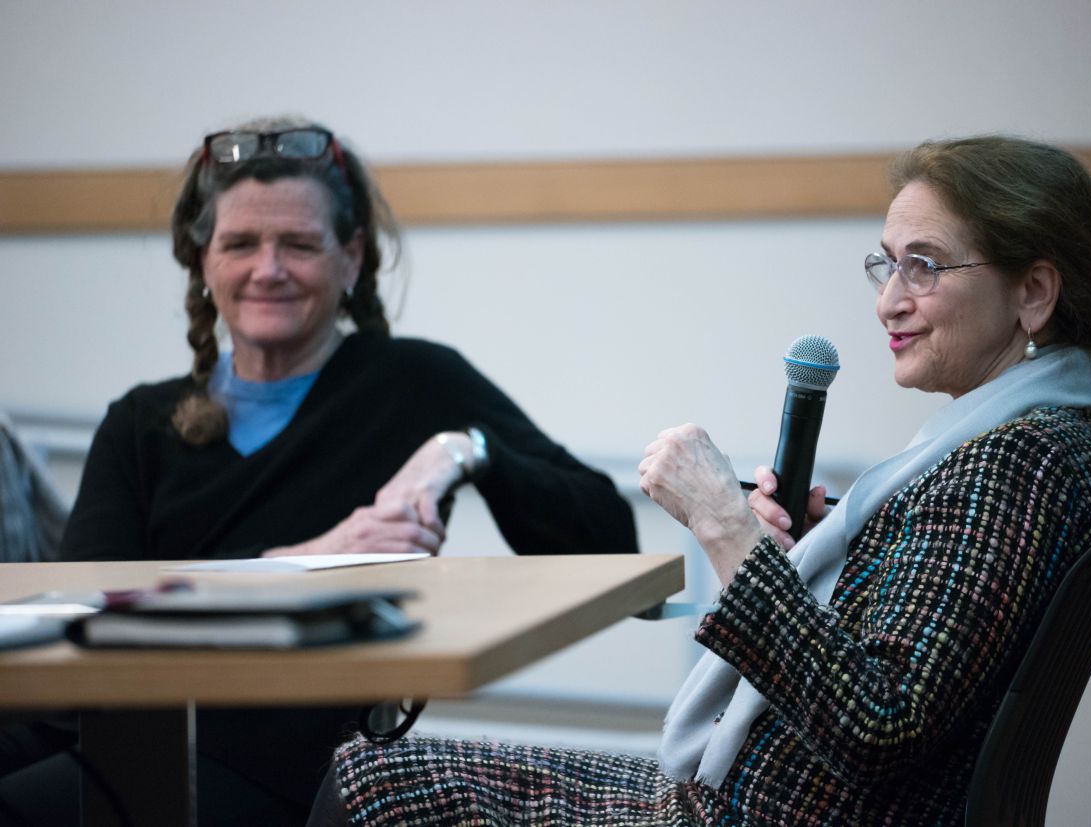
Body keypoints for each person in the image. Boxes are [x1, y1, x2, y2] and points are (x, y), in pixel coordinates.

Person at [307, 134, 1091, 826]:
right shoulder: (1051, 442)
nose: (889, 302)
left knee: (373, 776)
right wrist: (822, 555)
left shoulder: (1017, 461)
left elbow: (877, 723)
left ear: (1034, 293)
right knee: (379, 768)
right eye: (887, 263)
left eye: (926, 266)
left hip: (760, 810)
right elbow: (913, 654)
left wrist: (727, 525)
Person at [0, 116, 637, 826]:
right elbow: (86, 610)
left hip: (273, 768)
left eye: (298, 244)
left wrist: (465, 448)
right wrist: (310, 559)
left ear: (352, 256)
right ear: (204, 260)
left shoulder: (412, 385)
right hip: (99, 730)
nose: (267, 269)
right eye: (240, 243)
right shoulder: (141, 421)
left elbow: (607, 531)